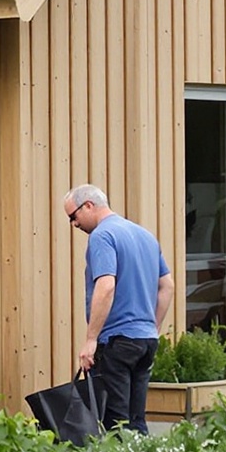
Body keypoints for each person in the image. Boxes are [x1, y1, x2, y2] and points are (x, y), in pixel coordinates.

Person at [65, 183, 171, 434]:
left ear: (88, 205)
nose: (74, 224)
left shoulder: (102, 236)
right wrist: (151, 328)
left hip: (116, 342)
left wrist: (91, 340)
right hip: (145, 341)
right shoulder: (145, 236)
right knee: (137, 421)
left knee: (115, 423)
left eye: (73, 216)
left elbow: (106, 285)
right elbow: (167, 286)